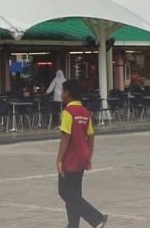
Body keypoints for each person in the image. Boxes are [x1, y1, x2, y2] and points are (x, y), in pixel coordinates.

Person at [56, 80, 108, 228]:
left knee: (65, 192)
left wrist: (59, 159)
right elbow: (91, 136)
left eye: (62, 92)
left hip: (71, 157)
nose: (61, 95)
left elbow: (65, 136)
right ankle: (73, 225)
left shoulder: (68, 112)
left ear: (67, 93)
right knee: (75, 193)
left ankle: (96, 218)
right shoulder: (85, 112)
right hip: (82, 155)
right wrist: (89, 155)